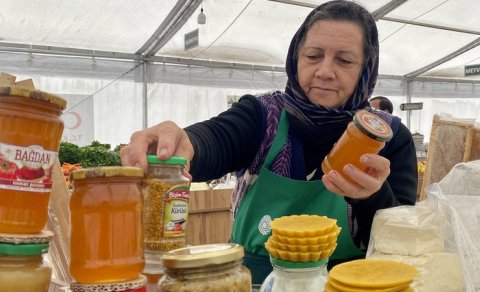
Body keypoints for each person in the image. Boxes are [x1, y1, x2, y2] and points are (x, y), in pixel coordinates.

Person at [121, 0, 417, 284]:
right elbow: (216, 139)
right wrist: (185, 143)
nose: (325, 71)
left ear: (366, 68)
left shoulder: (386, 137)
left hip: (349, 284)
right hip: (253, 282)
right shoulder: (264, 117)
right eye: (313, 56)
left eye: (344, 60)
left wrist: (372, 198)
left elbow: (402, 242)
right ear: (295, 58)